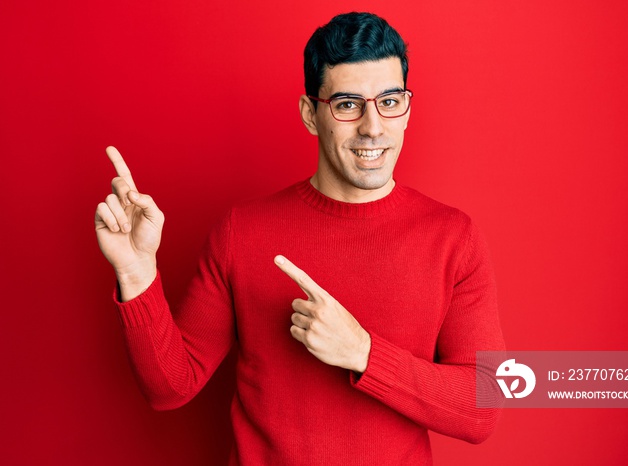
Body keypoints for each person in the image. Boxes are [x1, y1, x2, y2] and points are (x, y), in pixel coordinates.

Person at [95, 12, 505, 465]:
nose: (373, 126)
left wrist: (365, 354)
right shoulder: (242, 233)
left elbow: (484, 407)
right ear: (312, 115)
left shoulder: (453, 237)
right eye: (348, 104)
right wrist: (136, 275)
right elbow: (170, 387)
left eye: (390, 101)